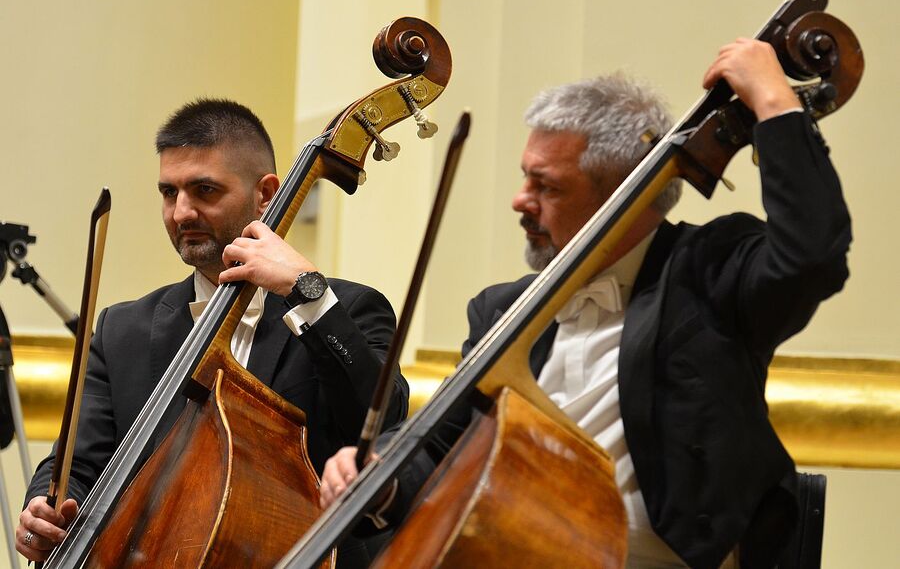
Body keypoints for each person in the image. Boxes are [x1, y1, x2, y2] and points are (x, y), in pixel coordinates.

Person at [320, 38, 851, 568]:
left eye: (545, 185)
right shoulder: (502, 312)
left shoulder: (708, 276)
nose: (519, 200)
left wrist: (774, 104)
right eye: (524, 175)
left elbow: (813, 255)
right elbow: (441, 449)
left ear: (624, 192)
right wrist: (379, 479)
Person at [16, 98, 409, 565]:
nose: (181, 213)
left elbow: (383, 427)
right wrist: (44, 506)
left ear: (266, 194)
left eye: (204, 190)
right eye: (169, 193)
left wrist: (308, 293)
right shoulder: (122, 329)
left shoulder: (348, 308)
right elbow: (78, 465)